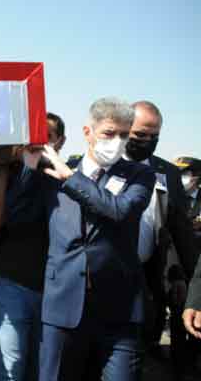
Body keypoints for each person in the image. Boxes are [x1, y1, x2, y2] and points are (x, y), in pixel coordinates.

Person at [18, 97, 155, 380]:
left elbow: (118, 210)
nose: (116, 142)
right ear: (87, 132)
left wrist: (70, 177)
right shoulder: (52, 173)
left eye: (123, 134)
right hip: (63, 308)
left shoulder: (140, 175)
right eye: (108, 133)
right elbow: (18, 216)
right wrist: (27, 170)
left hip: (120, 312)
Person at [0, 112, 66, 381]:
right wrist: (18, 170)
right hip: (13, 284)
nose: (39, 145)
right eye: (33, 138)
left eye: (47, 138)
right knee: (10, 366)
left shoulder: (67, 178)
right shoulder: (14, 173)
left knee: (43, 368)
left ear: (60, 142)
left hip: (54, 289)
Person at [123, 101, 199, 353]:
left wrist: (189, 282)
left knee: (140, 341)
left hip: (149, 273)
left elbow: (181, 230)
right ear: (125, 128)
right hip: (105, 272)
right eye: (140, 134)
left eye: (154, 136)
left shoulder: (167, 172)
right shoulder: (103, 166)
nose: (147, 141)